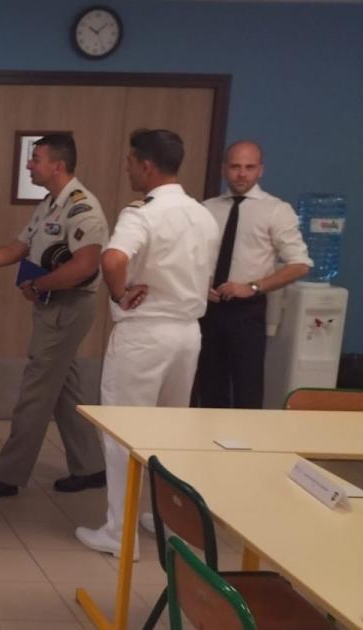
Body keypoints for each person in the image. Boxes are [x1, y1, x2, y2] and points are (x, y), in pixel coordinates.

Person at [74, 129, 219, 558]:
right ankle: (165, 520)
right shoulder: (203, 214)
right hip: (188, 334)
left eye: (131, 161)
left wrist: (119, 293)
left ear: (147, 165)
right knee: (170, 432)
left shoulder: (142, 213)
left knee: (123, 433)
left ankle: (120, 534)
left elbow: (113, 258)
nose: (127, 168)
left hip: (145, 335)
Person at [0, 134, 107, 500]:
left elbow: (86, 266)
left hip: (67, 308)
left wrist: (40, 285)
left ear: (57, 165)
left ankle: (7, 475)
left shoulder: (81, 207)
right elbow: (16, 249)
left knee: (35, 393)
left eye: (35, 159)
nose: (29, 165)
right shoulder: (49, 205)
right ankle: (91, 468)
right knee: (66, 387)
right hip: (52, 306)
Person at [196, 140, 310, 409]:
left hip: (247, 311)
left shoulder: (276, 210)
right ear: (224, 169)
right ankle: (207, 447)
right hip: (207, 308)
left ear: (261, 170)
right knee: (209, 388)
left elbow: (300, 264)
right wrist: (200, 285)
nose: (242, 174)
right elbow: (190, 257)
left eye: (249, 167)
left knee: (247, 390)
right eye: (235, 167)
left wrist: (254, 287)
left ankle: (247, 448)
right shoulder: (206, 208)